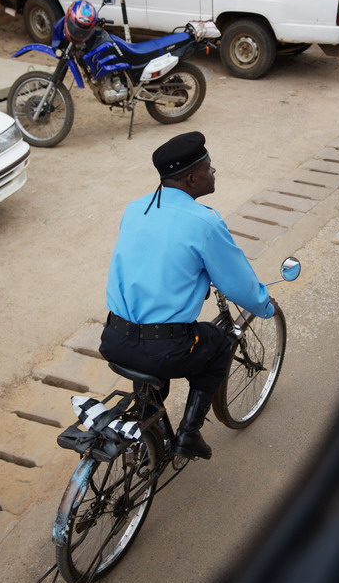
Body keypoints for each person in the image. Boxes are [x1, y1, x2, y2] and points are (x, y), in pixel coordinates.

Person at [99, 132, 274, 460]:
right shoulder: (203, 222)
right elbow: (238, 285)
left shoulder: (135, 209)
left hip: (114, 338)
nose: (213, 172)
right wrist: (264, 306)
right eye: (209, 168)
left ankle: (149, 426)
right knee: (219, 342)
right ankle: (188, 436)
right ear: (193, 178)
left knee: (156, 352)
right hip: (164, 349)